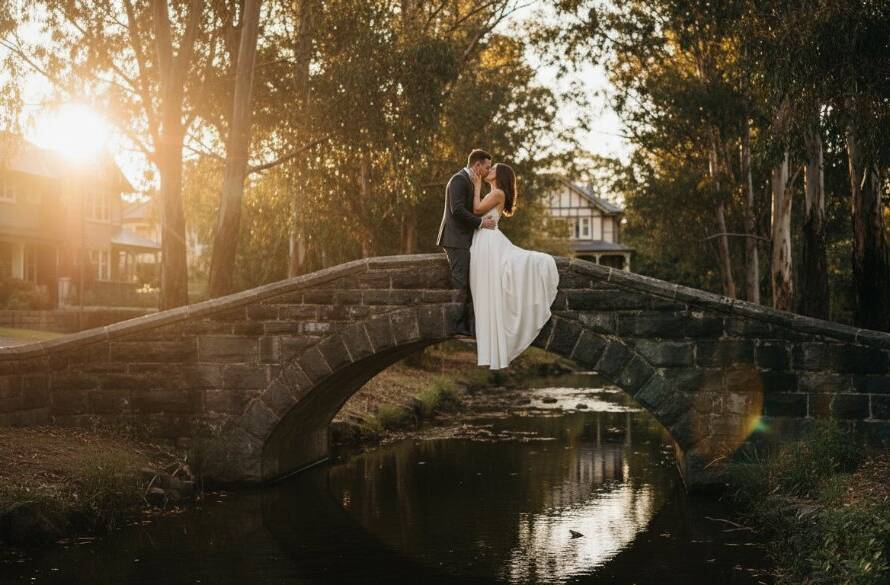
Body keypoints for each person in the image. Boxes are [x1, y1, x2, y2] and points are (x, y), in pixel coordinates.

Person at [468, 162, 559, 369]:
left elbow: (475, 209)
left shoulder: (498, 192)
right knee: (486, 289)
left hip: (489, 242)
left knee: (499, 279)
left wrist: (475, 184)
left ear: (499, 176)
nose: (488, 171)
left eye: (492, 170)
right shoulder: (494, 192)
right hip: (484, 240)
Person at [436, 149, 497, 337]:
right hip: (455, 239)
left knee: (467, 280)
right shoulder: (459, 180)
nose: (488, 171)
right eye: (486, 167)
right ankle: (456, 327)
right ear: (477, 165)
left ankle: (467, 324)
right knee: (460, 281)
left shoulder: (471, 181)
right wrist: (480, 223)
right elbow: (457, 210)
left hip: (463, 239)